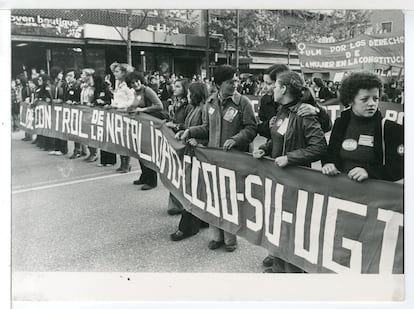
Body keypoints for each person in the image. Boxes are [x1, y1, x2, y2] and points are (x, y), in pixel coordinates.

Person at [253, 71, 328, 273]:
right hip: (278, 180)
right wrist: (265, 148)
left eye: (275, 86)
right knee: (278, 223)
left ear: (284, 89)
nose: (272, 90)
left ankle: (294, 274)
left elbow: (319, 147)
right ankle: (278, 268)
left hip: (296, 182)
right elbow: (277, 138)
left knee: (292, 228)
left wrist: (290, 158)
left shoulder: (305, 114)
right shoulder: (282, 111)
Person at [182, 65, 257, 252]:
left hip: (233, 160)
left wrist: (236, 139)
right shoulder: (210, 102)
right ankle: (216, 236)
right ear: (218, 84)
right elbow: (206, 129)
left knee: (229, 200)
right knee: (213, 198)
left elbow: (251, 128)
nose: (234, 85)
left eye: (236, 81)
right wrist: (190, 130)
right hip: (212, 159)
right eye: (230, 82)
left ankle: (230, 239)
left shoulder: (243, 103)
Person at [322, 71, 403, 182]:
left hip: (373, 196)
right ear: (351, 100)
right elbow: (330, 154)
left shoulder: (391, 128)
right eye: (364, 99)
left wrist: (369, 172)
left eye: (375, 98)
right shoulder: (340, 123)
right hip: (340, 193)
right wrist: (328, 164)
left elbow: (399, 169)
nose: (372, 103)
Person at [170, 82, 210, 241]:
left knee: (192, 189)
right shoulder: (195, 109)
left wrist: (200, 142)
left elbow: (208, 130)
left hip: (198, 153)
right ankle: (200, 220)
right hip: (191, 153)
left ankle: (186, 228)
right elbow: (189, 126)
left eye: (189, 94)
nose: (187, 96)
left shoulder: (204, 109)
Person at [257, 64, 332, 139]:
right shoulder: (266, 101)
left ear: (282, 85)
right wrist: (269, 126)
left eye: (269, 83)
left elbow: (319, 141)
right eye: (264, 82)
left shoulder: (303, 103)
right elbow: (262, 129)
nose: (264, 88)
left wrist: (318, 112)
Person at [126, 71, 164, 190]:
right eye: (132, 83)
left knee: (147, 151)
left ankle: (152, 180)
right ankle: (144, 176)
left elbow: (159, 105)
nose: (136, 84)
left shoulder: (147, 90)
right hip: (138, 124)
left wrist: (143, 110)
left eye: (137, 81)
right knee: (140, 151)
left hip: (148, 124)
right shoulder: (133, 92)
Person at [165, 78, 192, 214]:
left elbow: (189, 125)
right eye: (174, 86)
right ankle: (174, 203)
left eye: (178, 87)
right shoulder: (174, 103)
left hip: (183, 140)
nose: (174, 88)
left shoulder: (189, 105)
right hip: (174, 140)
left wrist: (175, 126)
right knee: (174, 171)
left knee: (182, 172)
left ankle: (181, 203)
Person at [107, 62, 135, 173]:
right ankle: (122, 163)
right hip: (117, 114)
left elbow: (131, 101)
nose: (115, 74)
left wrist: (119, 106)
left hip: (125, 114)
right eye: (114, 71)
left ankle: (127, 164)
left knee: (125, 139)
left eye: (117, 71)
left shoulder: (128, 85)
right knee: (118, 139)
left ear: (124, 72)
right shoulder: (118, 84)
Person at [92, 75, 117, 167]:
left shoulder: (106, 90)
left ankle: (111, 160)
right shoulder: (96, 90)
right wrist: (95, 102)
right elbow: (94, 100)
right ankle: (103, 160)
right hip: (100, 115)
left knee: (108, 137)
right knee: (101, 138)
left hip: (108, 115)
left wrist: (104, 102)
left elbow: (112, 101)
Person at [79, 68, 98, 162]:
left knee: (91, 133)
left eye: (83, 74)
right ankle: (90, 152)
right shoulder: (84, 87)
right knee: (86, 133)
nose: (81, 76)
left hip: (90, 112)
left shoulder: (92, 87)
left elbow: (93, 98)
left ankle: (94, 153)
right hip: (84, 111)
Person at [49, 68, 68, 156]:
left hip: (62, 107)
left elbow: (65, 95)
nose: (61, 75)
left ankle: (63, 149)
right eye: (60, 73)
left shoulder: (63, 83)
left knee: (62, 128)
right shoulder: (55, 83)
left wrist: (61, 100)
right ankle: (56, 147)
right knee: (56, 128)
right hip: (55, 107)